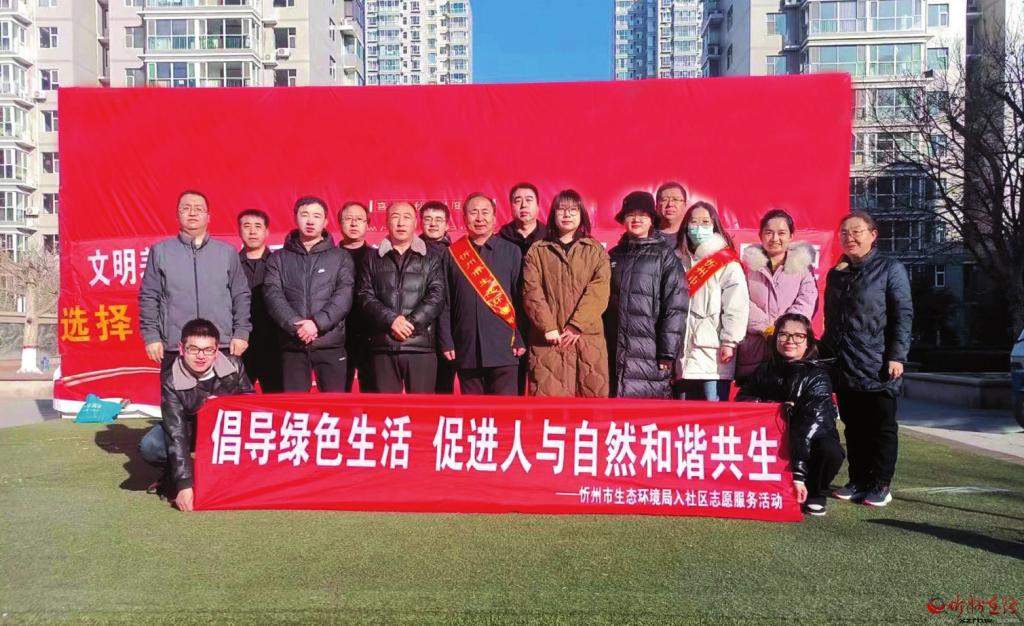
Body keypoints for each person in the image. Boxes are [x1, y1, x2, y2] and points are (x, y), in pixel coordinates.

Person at [823, 211, 912, 508]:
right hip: (845, 363)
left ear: (873, 235)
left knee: (881, 427)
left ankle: (880, 484)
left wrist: (897, 355)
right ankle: (857, 480)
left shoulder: (890, 269)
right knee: (853, 426)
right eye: (844, 232)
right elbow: (831, 321)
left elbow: (902, 315)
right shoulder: (837, 274)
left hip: (879, 363)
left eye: (856, 231)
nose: (850, 237)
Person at [139, 318, 253, 512]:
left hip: (226, 430)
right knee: (151, 446)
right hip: (190, 429)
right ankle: (173, 475)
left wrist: (223, 405)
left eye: (208, 350)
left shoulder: (234, 366)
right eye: (194, 349)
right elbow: (176, 433)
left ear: (216, 350)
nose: (201, 356)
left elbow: (250, 402)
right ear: (181, 349)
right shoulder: (171, 381)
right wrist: (184, 484)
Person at [737, 313, 845, 517]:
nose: (790, 341)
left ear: (808, 342)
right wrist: (773, 409)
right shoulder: (764, 369)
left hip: (807, 440)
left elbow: (809, 427)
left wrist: (798, 474)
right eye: (784, 334)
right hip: (771, 438)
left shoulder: (818, 376)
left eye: (798, 336)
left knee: (830, 450)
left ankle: (815, 492)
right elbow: (743, 401)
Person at [138, 190, 251, 371]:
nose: (192, 213)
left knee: (222, 391)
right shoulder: (160, 252)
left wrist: (241, 333)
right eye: (186, 208)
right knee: (176, 390)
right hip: (177, 346)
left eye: (198, 209)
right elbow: (149, 297)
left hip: (220, 346)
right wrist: (151, 337)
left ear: (208, 216)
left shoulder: (227, 252)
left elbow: (241, 295)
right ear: (177, 215)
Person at [522, 189, 611, 397]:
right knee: (550, 408)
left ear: (582, 214)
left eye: (573, 210)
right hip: (549, 341)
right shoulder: (538, 250)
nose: (567, 214)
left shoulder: (595, 250)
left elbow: (599, 290)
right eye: (561, 209)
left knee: (589, 405)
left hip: (586, 340)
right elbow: (531, 291)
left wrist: (577, 325)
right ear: (553, 214)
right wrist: (548, 326)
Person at [264, 196, 355, 392]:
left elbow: (344, 295)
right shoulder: (279, 258)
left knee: (334, 406)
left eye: (316, 216)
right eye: (304, 215)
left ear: (325, 221)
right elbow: (273, 295)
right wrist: (296, 324)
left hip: (330, 342)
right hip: (293, 344)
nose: (310, 221)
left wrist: (317, 323)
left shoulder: (340, 257)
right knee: (294, 406)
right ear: (295, 218)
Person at [439, 193, 526, 395]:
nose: (479, 218)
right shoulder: (452, 254)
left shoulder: (512, 252)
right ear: (464, 218)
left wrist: (520, 338)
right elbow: (445, 302)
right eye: (473, 212)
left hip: (505, 346)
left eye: (485, 212)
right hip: (466, 346)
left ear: (494, 218)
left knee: (505, 411)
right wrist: (446, 340)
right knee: (473, 412)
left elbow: (521, 300)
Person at [357, 201, 445, 393]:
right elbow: (364, 295)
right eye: (395, 217)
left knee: (422, 409)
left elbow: (437, 295)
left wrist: (409, 324)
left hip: (420, 345)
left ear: (415, 222)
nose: (401, 223)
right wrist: (391, 321)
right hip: (383, 344)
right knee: (385, 409)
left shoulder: (431, 257)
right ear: (386, 222)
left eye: (407, 217)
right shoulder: (372, 258)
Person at [604, 191, 686, 399]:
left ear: (652, 220)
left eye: (643, 215)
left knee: (645, 413)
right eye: (631, 215)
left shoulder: (665, 256)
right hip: (613, 352)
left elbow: (675, 306)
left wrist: (667, 352)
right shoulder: (612, 255)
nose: (636, 219)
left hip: (650, 354)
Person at [674, 201, 749, 401]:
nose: (699, 227)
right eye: (694, 222)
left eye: (705, 222)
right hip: (682, 355)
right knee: (683, 417)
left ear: (715, 226)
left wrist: (730, 342)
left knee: (713, 413)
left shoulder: (726, 262)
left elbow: (736, 306)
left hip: (713, 354)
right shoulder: (677, 259)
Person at [736, 209, 818, 382]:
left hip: (790, 349)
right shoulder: (745, 267)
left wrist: (784, 331)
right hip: (755, 350)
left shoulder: (803, 269)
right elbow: (740, 301)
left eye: (781, 233)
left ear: (791, 236)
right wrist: (767, 329)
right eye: (769, 233)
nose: (774, 238)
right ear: (760, 235)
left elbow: (806, 301)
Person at [499, 182, 548, 394]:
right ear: (510, 206)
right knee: (513, 382)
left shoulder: (550, 238)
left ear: (538, 205)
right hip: (511, 319)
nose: (523, 205)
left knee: (545, 380)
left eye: (529, 200)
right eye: (517, 201)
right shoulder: (500, 240)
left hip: (544, 318)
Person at [236, 208, 283, 393]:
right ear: (239, 231)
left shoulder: (279, 263)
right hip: (239, 345)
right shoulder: (230, 264)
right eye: (247, 226)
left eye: (258, 226)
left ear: (267, 231)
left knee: (276, 399)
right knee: (238, 399)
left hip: (274, 345)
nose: (252, 231)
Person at [419, 200, 457, 394]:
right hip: (417, 333)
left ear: (447, 225)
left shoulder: (457, 254)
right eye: (428, 219)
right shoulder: (411, 251)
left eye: (438, 220)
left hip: (448, 332)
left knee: (443, 390)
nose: (433, 224)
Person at [338, 201, 375, 392]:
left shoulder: (378, 257)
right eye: (348, 219)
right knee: (338, 394)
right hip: (337, 336)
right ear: (339, 223)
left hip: (371, 335)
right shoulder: (329, 256)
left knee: (373, 393)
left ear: (367, 224)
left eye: (359, 219)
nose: (354, 223)